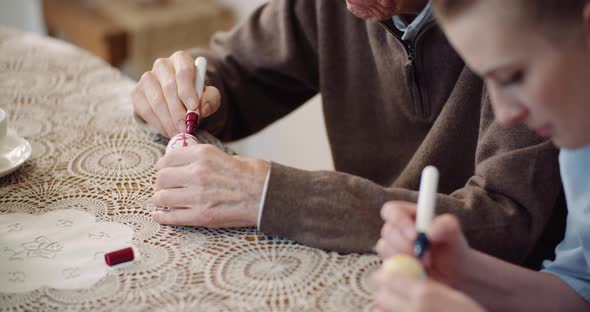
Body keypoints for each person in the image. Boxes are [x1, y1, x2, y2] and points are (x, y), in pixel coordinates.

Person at [133, 0, 565, 266]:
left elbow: (507, 220)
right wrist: (180, 88)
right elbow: (233, 71)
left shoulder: (520, 23)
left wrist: (273, 195)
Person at [373, 0, 590, 310]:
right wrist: (464, 272)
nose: (504, 115)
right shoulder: (579, 141)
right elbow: (581, 289)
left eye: (512, 77)